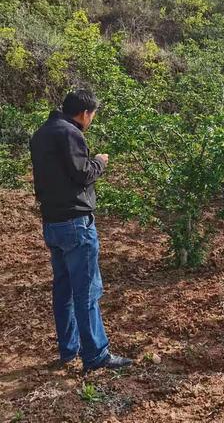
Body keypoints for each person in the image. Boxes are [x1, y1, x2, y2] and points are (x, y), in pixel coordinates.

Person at [30, 89, 133, 372]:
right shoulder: (70, 133)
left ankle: (68, 350)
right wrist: (100, 162)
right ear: (85, 113)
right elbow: (82, 173)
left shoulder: (41, 134)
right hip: (76, 224)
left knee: (63, 289)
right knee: (86, 291)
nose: (91, 121)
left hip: (52, 222)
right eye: (92, 116)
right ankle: (96, 355)